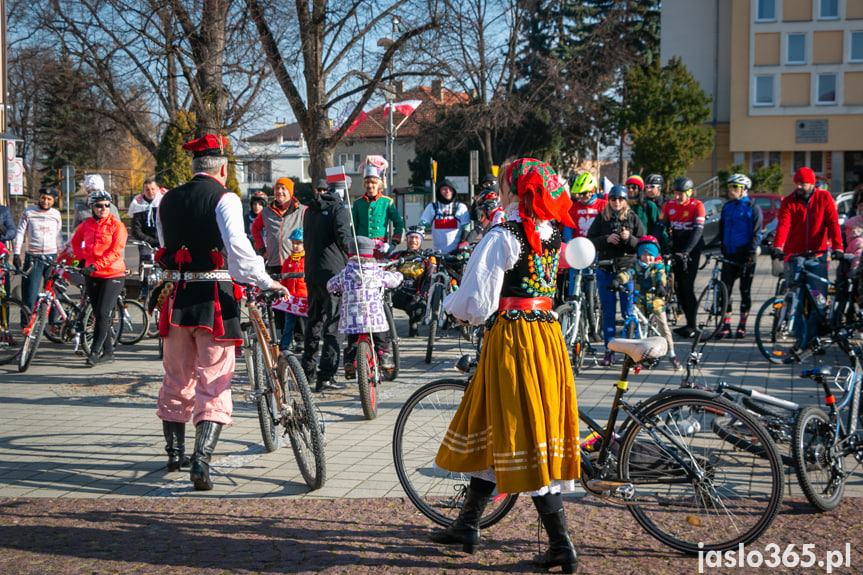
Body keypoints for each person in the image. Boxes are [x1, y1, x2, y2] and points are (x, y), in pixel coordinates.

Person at [431, 158, 580, 573]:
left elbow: (476, 302)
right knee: (495, 423)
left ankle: (561, 544)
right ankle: (467, 525)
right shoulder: (551, 233)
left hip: (514, 339)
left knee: (522, 430)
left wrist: (453, 311)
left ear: (514, 190)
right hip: (546, 336)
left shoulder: (503, 234)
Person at [154, 134, 288, 490]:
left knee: (176, 377)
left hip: (175, 296)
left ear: (194, 166)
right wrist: (265, 281)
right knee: (215, 381)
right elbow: (239, 253)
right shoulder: (224, 198)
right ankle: (200, 462)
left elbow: (163, 246)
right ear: (223, 168)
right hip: (213, 298)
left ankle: (173, 453)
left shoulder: (166, 199)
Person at [772, 166, 842, 349]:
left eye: (803, 183)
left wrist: (837, 248)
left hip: (817, 257)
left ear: (812, 184)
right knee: (796, 298)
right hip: (794, 256)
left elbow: (833, 223)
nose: (799, 186)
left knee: (818, 300)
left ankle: (813, 339)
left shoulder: (824, 198)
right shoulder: (789, 201)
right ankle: (800, 339)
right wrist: (778, 247)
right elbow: (783, 225)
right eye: (797, 182)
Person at [302, 176, 353, 392]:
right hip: (333, 274)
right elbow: (344, 238)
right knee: (334, 324)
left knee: (313, 324)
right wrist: (354, 254)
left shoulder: (310, 210)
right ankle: (326, 376)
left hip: (312, 272)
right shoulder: (339, 210)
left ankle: (307, 373)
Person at [327, 236, 402, 378]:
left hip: (352, 318)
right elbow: (394, 280)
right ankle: (383, 355)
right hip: (373, 317)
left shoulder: (346, 273)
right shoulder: (376, 272)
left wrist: (335, 289)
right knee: (380, 337)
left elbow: (330, 285)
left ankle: (349, 362)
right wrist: (399, 275)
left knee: (352, 341)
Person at [587, 184, 644, 365]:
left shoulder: (633, 218)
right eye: (613, 199)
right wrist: (606, 239)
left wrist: (630, 239)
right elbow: (590, 241)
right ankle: (609, 350)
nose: (617, 202)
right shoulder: (602, 217)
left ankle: (631, 350)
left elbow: (643, 245)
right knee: (608, 313)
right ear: (609, 200)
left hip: (626, 271)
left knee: (628, 313)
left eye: (620, 199)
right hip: (606, 270)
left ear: (625, 200)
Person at [71, 189, 128, 366]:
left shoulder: (117, 226)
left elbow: (115, 252)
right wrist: (80, 259)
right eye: (99, 205)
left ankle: (95, 353)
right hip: (92, 274)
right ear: (92, 207)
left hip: (113, 274)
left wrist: (95, 265)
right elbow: (74, 242)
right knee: (98, 314)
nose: (103, 208)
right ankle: (109, 352)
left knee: (103, 313)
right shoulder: (86, 224)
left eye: (107, 205)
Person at [612, 236, 682, 370]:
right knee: (639, 323)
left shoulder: (657, 267)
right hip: (640, 299)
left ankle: (672, 354)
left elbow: (660, 277)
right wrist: (618, 280)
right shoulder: (636, 266)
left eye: (650, 255)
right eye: (643, 255)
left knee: (663, 326)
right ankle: (639, 354)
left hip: (655, 299)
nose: (647, 258)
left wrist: (661, 286)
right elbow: (628, 273)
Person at [716, 174, 763, 339]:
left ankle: (742, 324)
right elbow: (721, 228)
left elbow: (756, 233)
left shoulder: (752, 207)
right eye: (729, 187)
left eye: (735, 187)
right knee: (725, 290)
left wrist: (751, 252)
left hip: (746, 255)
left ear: (744, 189)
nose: (731, 190)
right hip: (729, 253)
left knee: (745, 291)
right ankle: (726, 324)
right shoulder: (727, 207)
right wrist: (721, 245)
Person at [658, 176, 706, 339]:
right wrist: (652, 244)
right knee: (678, 287)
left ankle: (692, 325)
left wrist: (686, 252)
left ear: (690, 193)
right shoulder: (669, 205)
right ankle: (687, 324)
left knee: (687, 286)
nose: (677, 197)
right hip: (676, 249)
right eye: (675, 193)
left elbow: (698, 231)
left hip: (691, 251)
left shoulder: (697, 206)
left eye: (681, 194)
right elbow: (661, 226)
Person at [13, 187, 63, 312]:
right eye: (43, 198)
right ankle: (26, 324)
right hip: (33, 257)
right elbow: (20, 233)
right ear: (39, 198)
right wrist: (16, 254)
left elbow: (59, 235)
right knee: (30, 292)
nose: (45, 201)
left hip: (51, 256)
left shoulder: (56, 214)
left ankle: (53, 325)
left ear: (54, 200)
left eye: (49, 199)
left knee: (53, 293)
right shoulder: (28, 212)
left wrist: (62, 256)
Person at [352, 164, 405, 256]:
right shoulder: (358, 203)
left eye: (373, 183)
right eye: (367, 182)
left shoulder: (387, 202)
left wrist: (394, 243)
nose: (370, 185)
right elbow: (353, 228)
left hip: (380, 247)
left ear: (379, 184)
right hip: (362, 247)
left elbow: (399, 223)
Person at [390, 227, 430, 337]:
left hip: (417, 296)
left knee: (419, 311)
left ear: (421, 240)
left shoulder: (426, 258)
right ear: (407, 239)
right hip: (399, 293)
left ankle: (413, 323)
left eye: (416, 237)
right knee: (383, 299)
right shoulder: (398, 255)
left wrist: (420, 296)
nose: (413, 240)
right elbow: (386, 265)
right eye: (411, 237)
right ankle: (387, 330)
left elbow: (429, 280)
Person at [418, 179, 471, 254]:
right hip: (437, 254)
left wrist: (461, 245)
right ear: (439, 191)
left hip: (456, 254)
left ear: (453, 192)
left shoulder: (461, 207)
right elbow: (422, 226)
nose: (447, 191)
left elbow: (466, 228)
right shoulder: (432, 207)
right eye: (444, 189)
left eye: (450, 189)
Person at [276, 227, 307, 352]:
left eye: (299, 243)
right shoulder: (288, 260)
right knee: (288, 324)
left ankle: (307, 344)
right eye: (294, 243)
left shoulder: (307, 260)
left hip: (304, 298)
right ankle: (285, 345)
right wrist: (283, 290)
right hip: (291, 298)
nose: (295, 246)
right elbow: (283, 279)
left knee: (307, 324)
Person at [128, 178, 163, 264]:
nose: (150, 192)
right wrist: (150, 240)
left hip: (162, 239)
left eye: (153, 189)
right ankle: (145, 276)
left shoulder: (164, 202)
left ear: (158, 189)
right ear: (143, 191)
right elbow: (136, 230)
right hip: (145, 241)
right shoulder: (138, 205)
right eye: (147, 190)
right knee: (146, 259)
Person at [625, 175, 662, 239]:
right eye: (628, 187)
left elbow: (658, 227)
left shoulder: (649, 205)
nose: (630, 190)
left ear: (639, 189)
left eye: (634, 187)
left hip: (643, 243)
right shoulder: (621, 205)